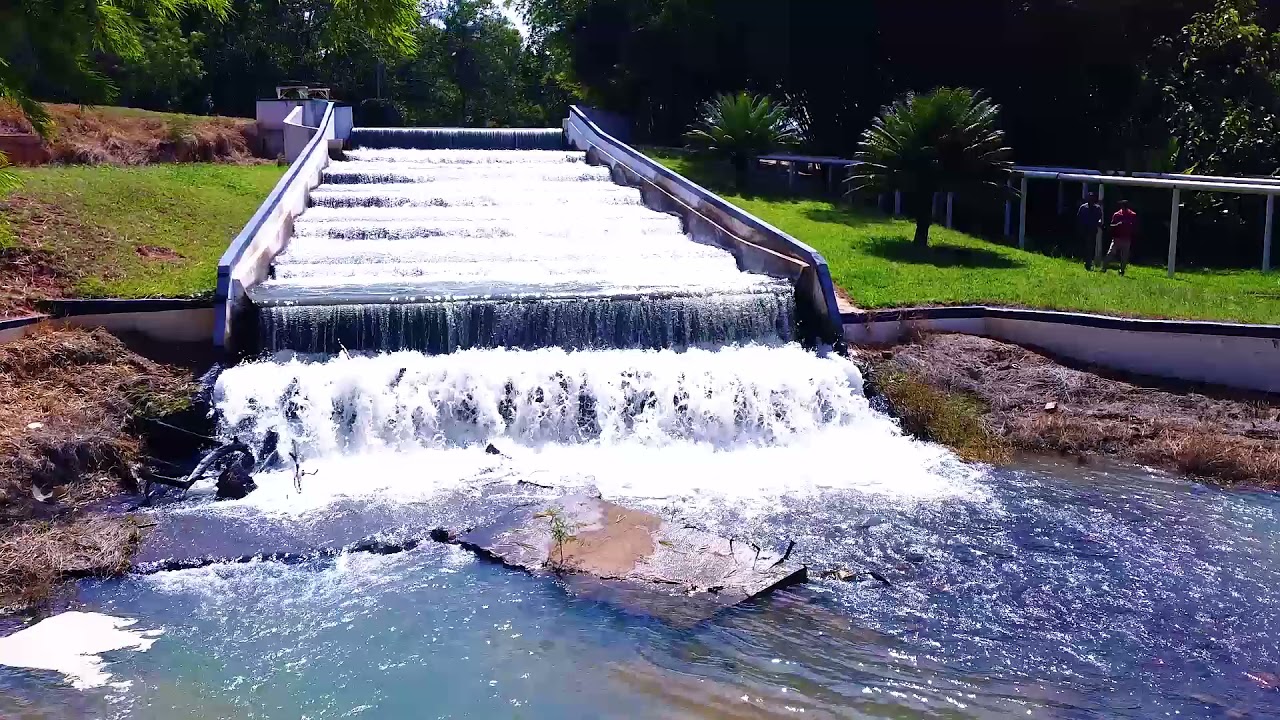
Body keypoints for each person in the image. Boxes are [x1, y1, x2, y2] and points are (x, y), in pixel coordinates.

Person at [1103, 200, 1137, 275]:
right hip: (1117, 238)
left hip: (1126, 238)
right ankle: (1104, 267)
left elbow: (1135, 227)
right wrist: (1118, 224)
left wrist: (1129, 225)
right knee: (1111, 253)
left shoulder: (1132, 215)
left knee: (1124, 256)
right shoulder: (1117, 215)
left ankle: (1122, 270)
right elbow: (1111, 226)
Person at [1076, 192, 1104, 270]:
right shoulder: (1083, 207)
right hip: (1083, 230)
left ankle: (1088, 262)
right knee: (1084, 247)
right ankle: (1086, 260)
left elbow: (1100, 217)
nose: (1090, 199)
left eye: (1092, 198)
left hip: (1092, 231)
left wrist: (1099, 223)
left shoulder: (1097, 208)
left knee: (1090, 247)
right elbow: (1079, 218)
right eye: (1089, 198)